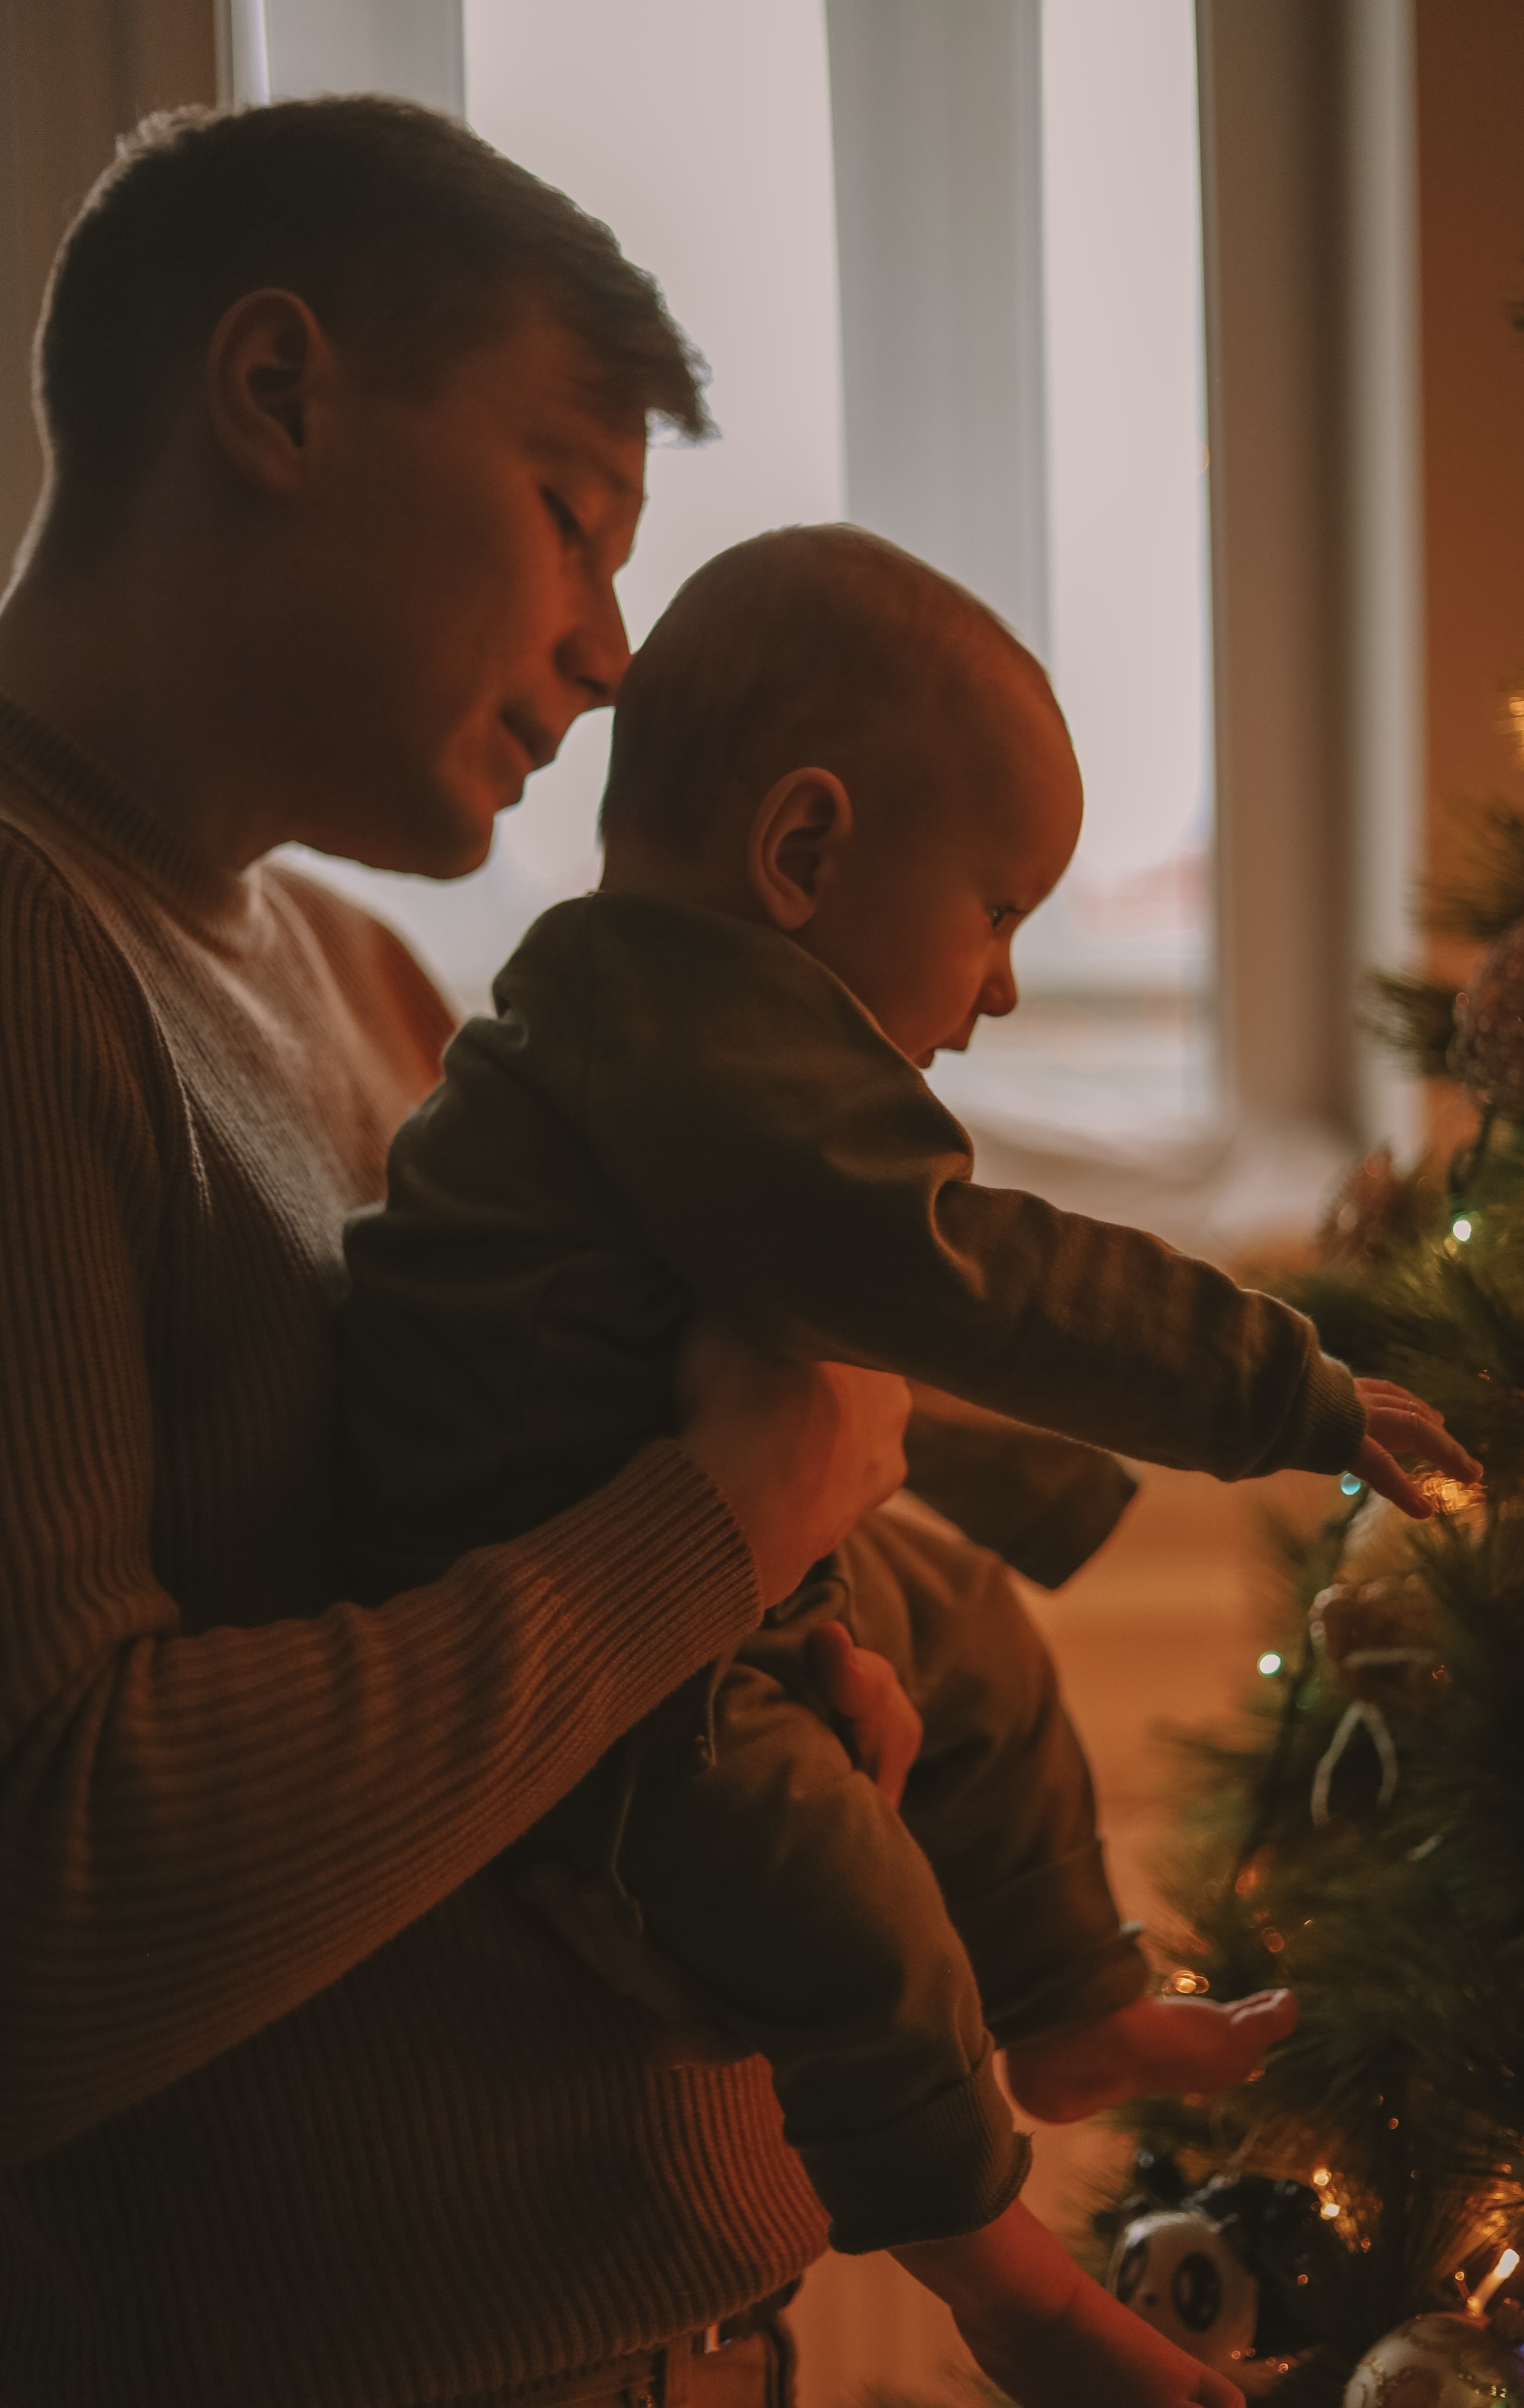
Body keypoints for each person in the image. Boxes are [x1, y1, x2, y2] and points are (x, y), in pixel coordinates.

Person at [339, 525, 1481, 2405]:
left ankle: (1064, 2006)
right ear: (804, 856)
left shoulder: (670, 1040)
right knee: (839, 1903)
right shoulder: (691, 1050)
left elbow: (861, 1366)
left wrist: (1037, 1497)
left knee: (969, 1626)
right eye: (1000, 913)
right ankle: (1016, 2291)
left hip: (687, 1556)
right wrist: (1301, 1393)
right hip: (595, 1694)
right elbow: (966, 1282)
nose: (1009, 989)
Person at [0, 97, 918, 2408]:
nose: (615, 652)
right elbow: (49, 1877)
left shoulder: (356, 975)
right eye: (572, 518)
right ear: (279, 394)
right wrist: (706, 1536)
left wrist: (785, 1685)